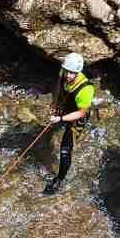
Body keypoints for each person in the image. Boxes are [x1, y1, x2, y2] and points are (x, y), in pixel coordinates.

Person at [45, 52, 96, 196]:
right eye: (67, 71)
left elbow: (81, 113)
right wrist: (54, 104)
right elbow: (59, 86)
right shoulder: (64, 71)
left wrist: (61, 119)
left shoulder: (86, 90)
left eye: (72, 73)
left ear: (78, 72)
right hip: (68, 104)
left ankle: (59, 179)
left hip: (78, 115)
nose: (68, 75)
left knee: (65, 150)